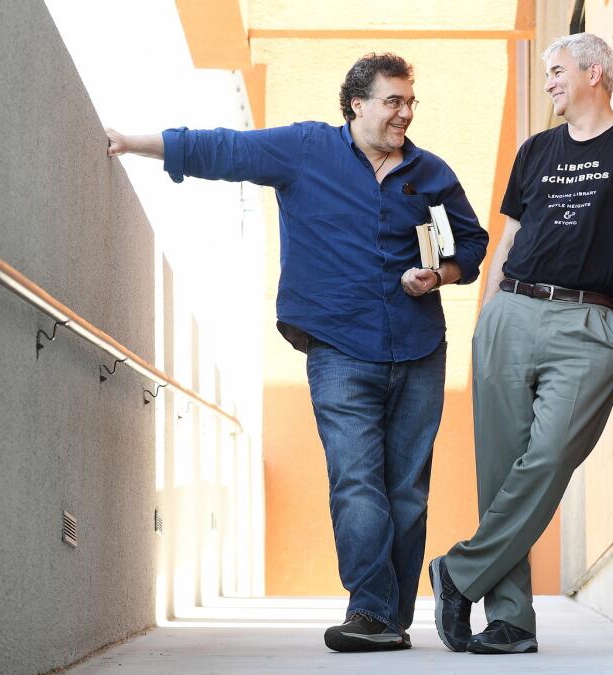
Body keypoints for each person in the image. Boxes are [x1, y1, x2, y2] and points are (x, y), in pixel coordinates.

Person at [107, 52, 488, 653]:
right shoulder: (307, 150)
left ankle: (391, 616)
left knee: (407, 489)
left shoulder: (429, 172)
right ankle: (369, 611)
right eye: (393, 101)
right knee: (357, 480)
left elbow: (472, 242)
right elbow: (223, 149)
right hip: (338, 349)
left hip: (418, 350)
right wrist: (132, 142)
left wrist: (439, 276)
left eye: (410, 102)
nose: (405, 113)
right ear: (357, 103)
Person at [429, 32, 613, 654]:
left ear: (594, 73)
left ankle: (459, 572)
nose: (550, 82)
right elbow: (509, 239)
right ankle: (510, 621)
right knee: (502, 470)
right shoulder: (535, 150)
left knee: (552, 454)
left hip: (588, 322)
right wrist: (491, 313)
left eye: (557, 71)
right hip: (513, 313)